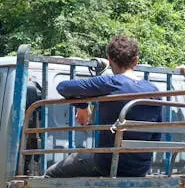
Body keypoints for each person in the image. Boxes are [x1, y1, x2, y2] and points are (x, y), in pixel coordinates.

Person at [45, 35, 160, 178]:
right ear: (136, 61)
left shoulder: (109, 83)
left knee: (51, 174)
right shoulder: (154, 90)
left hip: (108, 164)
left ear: (110, 60)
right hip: (140, 168)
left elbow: (63, 87)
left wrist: (82, 105)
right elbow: (156, 134)